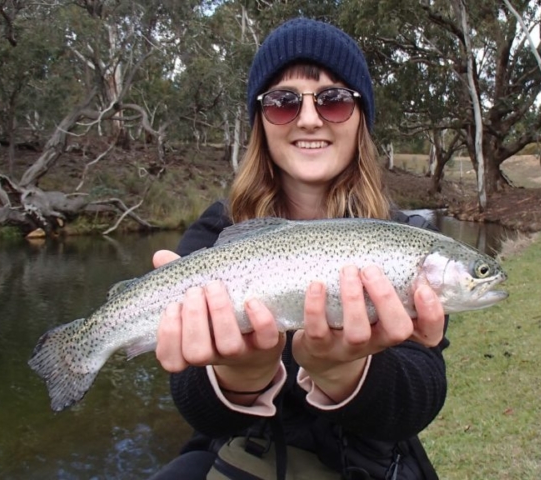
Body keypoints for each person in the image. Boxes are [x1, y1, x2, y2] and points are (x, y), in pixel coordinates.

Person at [148, 17, 448, 480]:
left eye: (334, 100)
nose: (309, 118)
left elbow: (422, 394)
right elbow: (194, 403)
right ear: (260, 122)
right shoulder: (215, 233)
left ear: (360, 117)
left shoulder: (403, 239)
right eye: (284, 103)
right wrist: (240, 377)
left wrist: (344, 374)